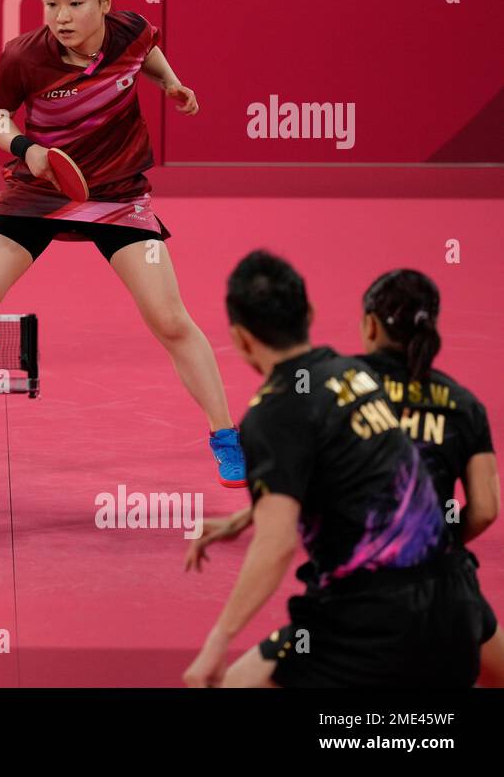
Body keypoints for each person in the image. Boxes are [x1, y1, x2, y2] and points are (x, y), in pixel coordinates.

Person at [0, 0, 246, 487]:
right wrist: (26, 148)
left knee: (169, 318)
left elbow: (149, 52)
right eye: (50, 3)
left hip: (118, 196)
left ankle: (226, 435)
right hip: (39, 192)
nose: (61, 16)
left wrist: (170, 83)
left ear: (105, 3)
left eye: (74, 3)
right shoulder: (24, 56)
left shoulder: (130, 30)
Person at [183, 251, 490, 688]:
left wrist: (217, 643)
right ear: (309, 313)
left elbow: (277, 545)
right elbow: (360, 471)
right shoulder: (356, 375)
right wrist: (251, 513)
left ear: (240, 338)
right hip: (458, 610)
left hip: (369, 625)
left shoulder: (273, 414)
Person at [355, 269, 501, 685]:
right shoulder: (464, 404)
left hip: (357, 591)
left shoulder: (337, 386)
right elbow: (486, 510)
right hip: (446, 590)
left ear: (370, 324)